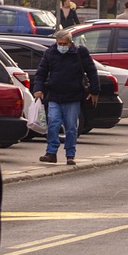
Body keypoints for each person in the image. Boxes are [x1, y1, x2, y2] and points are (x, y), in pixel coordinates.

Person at [33, 29, 100, 166]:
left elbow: (92, 71)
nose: (62, 46)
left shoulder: (79, 53)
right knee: (53, 124)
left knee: (71, 127)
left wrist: (94, 91)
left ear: (70, 43)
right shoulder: (50, 53)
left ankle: (70, 154)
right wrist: (38, 89)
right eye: (60, 43)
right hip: (54, 95)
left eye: (65, 44)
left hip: (73, 96)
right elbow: (41, 73)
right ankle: (51, 152)